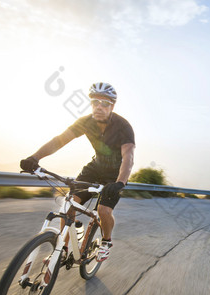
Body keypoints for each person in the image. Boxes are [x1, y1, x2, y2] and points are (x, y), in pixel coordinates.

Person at [20, 82, 135, 262]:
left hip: (116, 174)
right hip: (95, 168)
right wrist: (34, 158)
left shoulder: (123, 126)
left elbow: (128, 157)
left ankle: (106, 241)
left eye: (105, 103)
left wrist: (120, 183)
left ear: (112, 106)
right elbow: (59, 141)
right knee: (69, 204)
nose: (99, 106)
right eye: (95, 102)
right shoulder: (85, 122)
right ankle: (62, 249)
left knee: (104, 210)